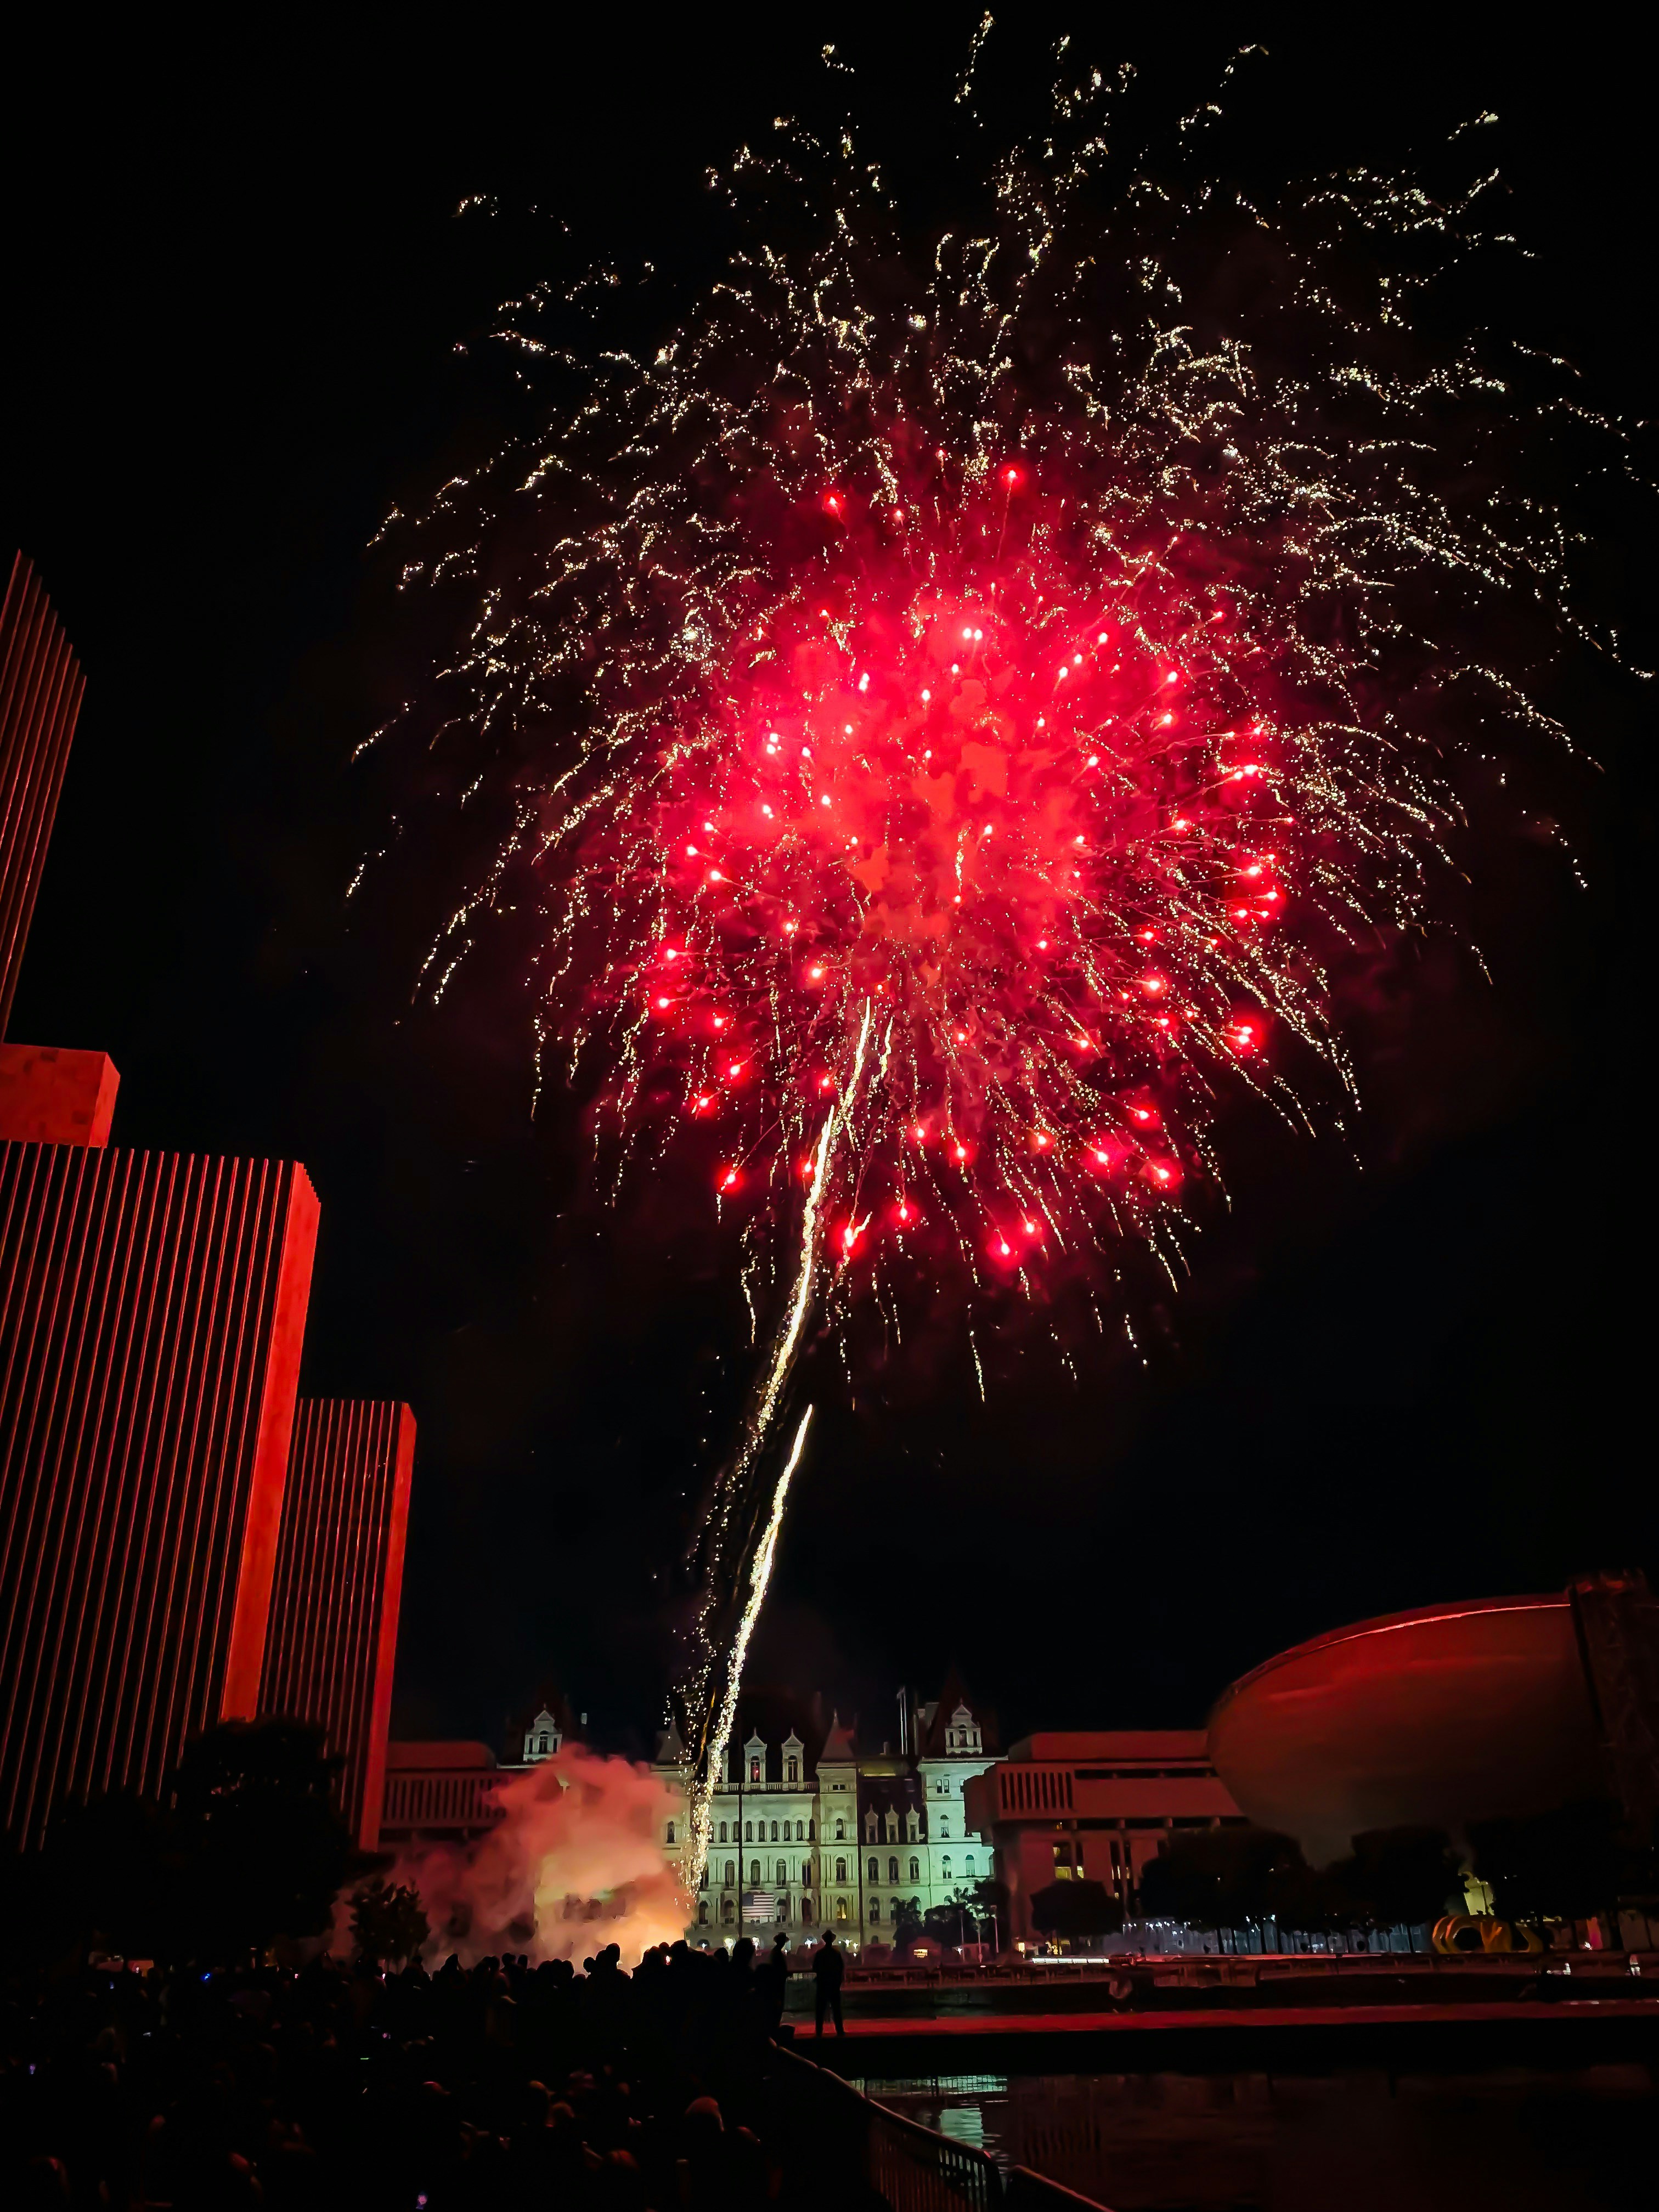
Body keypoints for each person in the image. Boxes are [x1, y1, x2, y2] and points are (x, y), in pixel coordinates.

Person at [812, 1928, 845, 2039]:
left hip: (822, 1984)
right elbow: (841, 1969)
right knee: (836, 2009)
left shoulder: (820, 1954)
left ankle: (819, 2032)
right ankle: (840, 2031)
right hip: (834, 1985)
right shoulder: (836, 1954)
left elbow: (815, 1968)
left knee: (820, 2010)